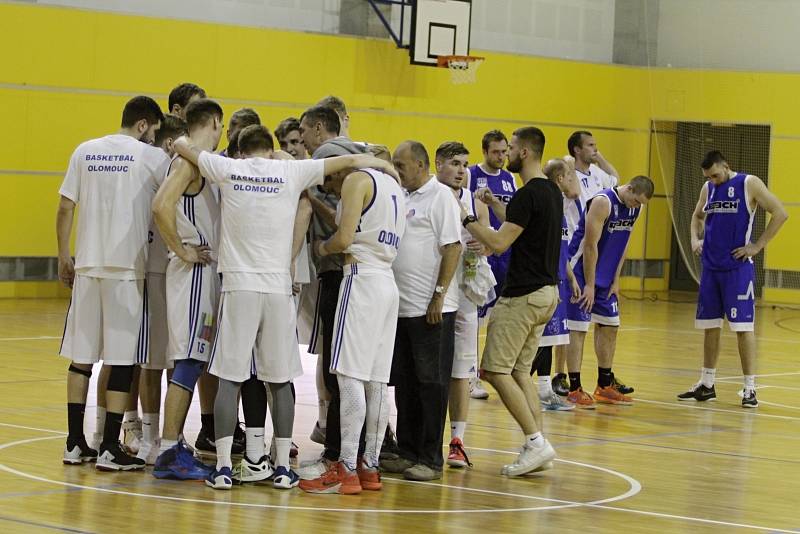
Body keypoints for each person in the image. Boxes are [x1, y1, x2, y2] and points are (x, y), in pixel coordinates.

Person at [172, 124, 397, 490]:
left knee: (230, 378)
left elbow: (187, 149)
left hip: (239, 287)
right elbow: (344, 160)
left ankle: (226, 467)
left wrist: (178, 141)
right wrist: (378, 162)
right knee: (279, 381)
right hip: (278, 290)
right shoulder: (290, 171)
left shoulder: (228, 168)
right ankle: (280, 467)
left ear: (242, 152)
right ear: (272, 148)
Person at [58, 96, 169, 470]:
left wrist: (63, 255)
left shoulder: (85, 150)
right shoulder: (151, 158)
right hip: (125, 270)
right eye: (153, 131)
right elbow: (167, 202)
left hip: (87, 266)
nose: (154, 138)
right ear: (143, 125)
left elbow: (65, 206)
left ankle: (74, 443)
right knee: (123, 360)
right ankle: (109, 448)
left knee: (82, 359)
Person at [299, 149, 406, 495]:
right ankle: (369, 467)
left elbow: (344, 239)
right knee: (376, 381)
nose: (330, 186)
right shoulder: (394, 186)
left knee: (348, 378)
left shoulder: (356, 180)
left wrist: (321, 249)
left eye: (329, 179)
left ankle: (344, 467)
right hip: (388, 283)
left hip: (360, 280)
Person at [462, 127, 561, 476]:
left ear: (527, 153)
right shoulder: (548, 190)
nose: (507, 154)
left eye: (513, 148)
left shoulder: (526, 194)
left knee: (494, 371)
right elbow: (521, 221)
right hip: (547, 295)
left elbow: (500, 243)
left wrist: (467, 218)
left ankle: (535, 442)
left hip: (523, 296)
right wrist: (494, 205)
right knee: (520, 371)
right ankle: (538, 444)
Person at [150, 99, 225, 481]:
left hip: (195, 272)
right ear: (214, 121)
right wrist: (181, 249)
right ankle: (167, 452)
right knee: (190, 359)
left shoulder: (194, 159)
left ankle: (172, 443)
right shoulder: (189, 162)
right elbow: (161, 204)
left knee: (191, 357)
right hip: (193, 272)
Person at [677, 150, 787, 407]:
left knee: (742, 328)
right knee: (710, 327)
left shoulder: (749, 183)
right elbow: (697, 216)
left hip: (737, 270)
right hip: (711, 269)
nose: (713, 180)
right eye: (708, 177)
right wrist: (695, 239)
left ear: (726, 166)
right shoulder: (708, 187)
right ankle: (707, 383)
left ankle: (750, 388)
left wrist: (757, 246)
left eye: (715, 175)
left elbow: (780, 213)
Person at [380, 141, 462, 482]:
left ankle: (431, 458)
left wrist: (438, 297)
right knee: (406, 384)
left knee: (432, 384)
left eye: (401, 165)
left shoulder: (440, 196)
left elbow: (453, 247)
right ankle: (408, 450)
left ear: (420, 164)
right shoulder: (404, 196)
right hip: (402, 308)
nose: (396, 170)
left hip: (432, 310)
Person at [565, 175, 655, 408]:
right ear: (630, 188)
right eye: (636, 201)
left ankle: (605, 385)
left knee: (610, 325)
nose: (637, 206)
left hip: (605, 276)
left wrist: (616, 278)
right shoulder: (603, 201)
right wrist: (589, 284)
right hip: (581, 272)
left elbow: (624, 243)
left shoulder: (636, 209)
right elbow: (590, 245)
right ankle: (574, 388)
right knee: (579, 330)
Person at [133, 113, 189, 464]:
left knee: (174, 358)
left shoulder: (179, 171)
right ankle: (150, 436)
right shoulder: (156, 167)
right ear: (171, 142)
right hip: (155, 270)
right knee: (152, 360)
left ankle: (171, 435)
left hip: (176, 273)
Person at [433, 141, 490, 468]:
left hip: (464, 293)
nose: (460, 170)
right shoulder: (426, 195)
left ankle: (458, 440)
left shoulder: (472, 200)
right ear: (438, 164)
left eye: (464, 164)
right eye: (454, 163)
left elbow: (490, 241)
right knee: (430, 370)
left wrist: (485, 244)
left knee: (461, 370)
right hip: (433, 290)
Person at [562, 130, 632, 396]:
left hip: (602, 259)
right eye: (590, 146)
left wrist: (597, 155)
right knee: (575, 325)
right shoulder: (569, 174)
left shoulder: (599, 177)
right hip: (577, 253)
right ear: (576, 150)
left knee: (609, 323)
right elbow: (566, 179)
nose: (595, 149)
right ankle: (567, 381)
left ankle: (605, 381)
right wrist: (572, 160)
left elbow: (615, 176)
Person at [527, 159, 580, 411]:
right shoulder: (545, 203)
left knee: (549, 338)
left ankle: (538, 388)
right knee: (543, 338)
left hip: (558, 278)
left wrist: (570, 277)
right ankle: (536, 388)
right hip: (546, 282)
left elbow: (560, 248)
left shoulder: (559, 205)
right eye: (571, 175)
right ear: (560, 179)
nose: (574, 180)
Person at [467, 129, 515, 399]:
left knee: (502, 318)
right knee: (474, 318)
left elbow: (513, 216)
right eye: (496, 151)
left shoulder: (510, 179)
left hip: (504, 253)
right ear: (484, 151)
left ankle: (497, 371)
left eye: (504, 151)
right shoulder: (472, 174)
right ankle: (471, 377)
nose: (501, 156)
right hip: (482, 254)